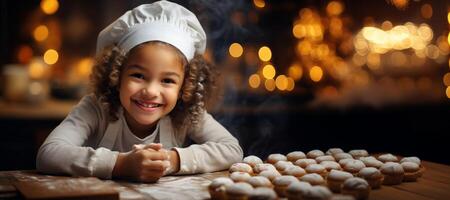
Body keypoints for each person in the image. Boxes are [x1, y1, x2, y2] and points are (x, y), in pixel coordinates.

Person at [36, 0, 243, 182]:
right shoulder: (96, 108)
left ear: (185, 86)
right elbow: (49, 154)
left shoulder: (187, 113)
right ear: (116, 74)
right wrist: (120, 165)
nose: (151, 91)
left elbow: (232, 150)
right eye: (138, 75)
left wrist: (172, 160)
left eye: (168, 80)